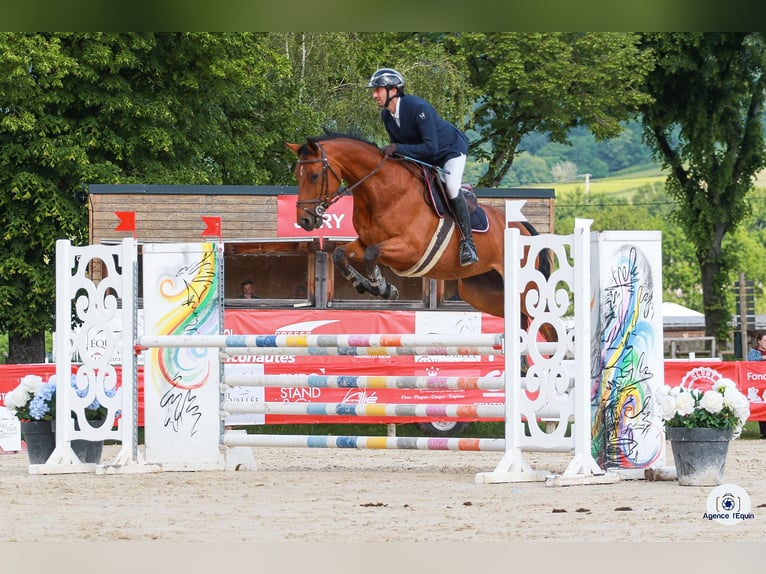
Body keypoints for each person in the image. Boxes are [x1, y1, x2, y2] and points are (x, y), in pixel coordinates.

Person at [367, 67, 478, 266]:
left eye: (378, 90)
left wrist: (397, 147)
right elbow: (402, 150)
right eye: (374, 91)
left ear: (393, 91)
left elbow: (430, 147)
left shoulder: (417, 107)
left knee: (451, 187)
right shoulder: (387, 116)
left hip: (449, 151)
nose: (374, 95)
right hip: (426, 156)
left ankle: (468, 244)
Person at [747, 332, 766, 438]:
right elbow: (751, 361)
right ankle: (764, 431)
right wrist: (763, 358)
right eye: (765, 340)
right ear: (759, 341)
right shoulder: (754, 352)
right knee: (761, 404)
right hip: (758, 382)